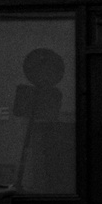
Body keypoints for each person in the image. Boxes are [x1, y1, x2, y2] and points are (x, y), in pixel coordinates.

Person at [15, 47, 74, 192]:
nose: (44, 75)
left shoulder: (54, 94)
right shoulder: (28, 93)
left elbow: (51, 115)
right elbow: (20, 111)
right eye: (41, 70)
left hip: (49, 139)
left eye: (48, 71)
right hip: (39, 137)